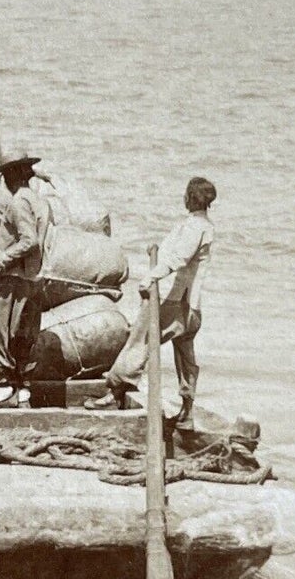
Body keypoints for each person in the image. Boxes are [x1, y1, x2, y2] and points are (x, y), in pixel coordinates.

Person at [86, 176, 217, 424]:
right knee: (186, 357)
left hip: (178, 304)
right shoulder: (205, 225)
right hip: (192, 309)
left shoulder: (194, 227)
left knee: (140, 340)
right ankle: (187, 409)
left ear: (190, 198)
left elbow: (179, 258)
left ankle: (114, 393)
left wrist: (150, 277)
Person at [0, 154, 51, 408]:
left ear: (13, 176)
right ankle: (22, 389)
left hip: (14, 278)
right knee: (23, 333)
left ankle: (3, 387)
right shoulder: (39, 201)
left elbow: (29, 240)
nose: (5, 182)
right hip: (33, 277)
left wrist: (1, 257)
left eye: (6, 177)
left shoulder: (19, 202)